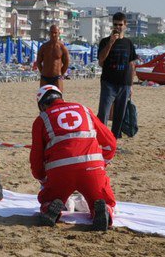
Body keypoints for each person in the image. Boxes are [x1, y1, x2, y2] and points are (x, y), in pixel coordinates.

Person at [31, 84, 117, 230]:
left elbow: (36, 158)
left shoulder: (41, 120)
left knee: (48, 200)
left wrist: (42, 179)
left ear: (42, 105)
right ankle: (103, 211)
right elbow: (110, 144)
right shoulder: (84, 110)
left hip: (60, 172)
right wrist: (102, 164)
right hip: (91, 168)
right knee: (104, 200)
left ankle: (50, 209)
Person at [96, 12, 137, 138]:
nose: (117, 27)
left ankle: (114, 141)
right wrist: (110, 43)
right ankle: (102, 138)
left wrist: (131, 85)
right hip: (108, 83)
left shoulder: (128, 43)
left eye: (120, 24)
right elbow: (101, 61)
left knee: (119, 115)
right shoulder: (105, 42)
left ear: (125, 25)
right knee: (103, 113)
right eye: (115, 24)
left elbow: (132, 65)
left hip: (124, 84)